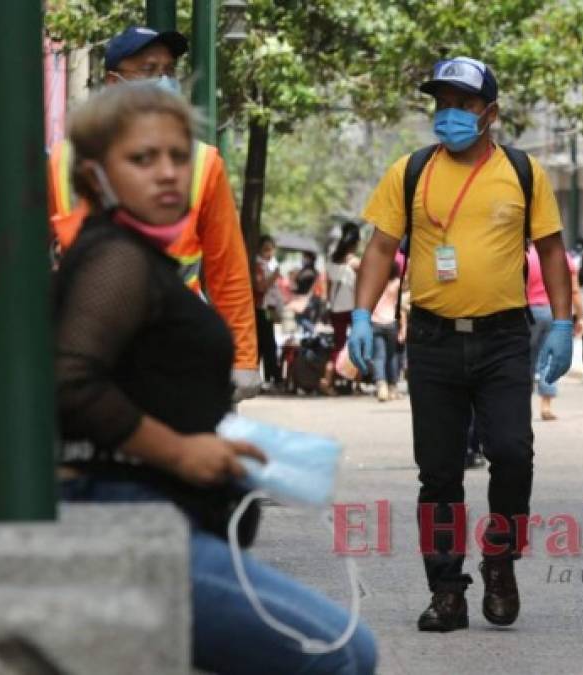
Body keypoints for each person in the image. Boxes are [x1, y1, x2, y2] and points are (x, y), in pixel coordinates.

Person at [53, 84, 377, 675]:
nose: (168, 173)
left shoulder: (141, 257)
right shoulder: (115, 259)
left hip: (147, 511)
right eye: (142, 159)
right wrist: (179, 450)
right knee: (341, 654)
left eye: (179, 155)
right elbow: (70, 381)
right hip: (118, 519)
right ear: (95, 174)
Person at [350, 56, 574, 632]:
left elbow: (551, 250)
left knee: (512, 453)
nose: (449, 115)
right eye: (441, 103)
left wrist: (562, 322)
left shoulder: (523, 172)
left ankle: (501, 559)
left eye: (463, 104)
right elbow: (380, 248)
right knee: (439, 472)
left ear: (490, 113)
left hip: (503, 339)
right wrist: (358, 312)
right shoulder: (411, 170)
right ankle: (446, 590)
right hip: (432, 340)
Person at [47, 26, 260, 401]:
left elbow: (228, 269)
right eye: (148, 70)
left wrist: (243, 359)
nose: (163, 81)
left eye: (169, 71)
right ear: (114, 83)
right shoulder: (62, 162)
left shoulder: (204, 162)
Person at [525, 242, 583, 420]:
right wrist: (580, 316)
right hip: (554, 312)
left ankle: (523, 406)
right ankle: (546, 405)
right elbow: (574, 291)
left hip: (530, 313)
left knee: (526, 359)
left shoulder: (526, 255)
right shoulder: (563, 257)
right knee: (550, 358)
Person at [323, 222, 361, 395]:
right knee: (357, 345)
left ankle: (328, 379)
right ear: (356, 242)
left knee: (338, 345)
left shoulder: (331, 261)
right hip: (353, 309)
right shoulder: (356, 263)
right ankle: (356, 384)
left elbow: (328, 287)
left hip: (336, 309)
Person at [253, 235, 283, 391]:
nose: (269, 253)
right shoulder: (258, 265)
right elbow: (261, 287)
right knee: (265, 344)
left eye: (271, 249)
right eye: (266, 249)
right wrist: (274, 276)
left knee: (270, 344)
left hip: (270, 309)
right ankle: (269, 377)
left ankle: (270, 377)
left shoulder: (271, 264)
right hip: (261, 309)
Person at [370, 261, 403, 402]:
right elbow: (400, 306)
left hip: (375, 321)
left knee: (379, 356)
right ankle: (393, 387)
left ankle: (381, 386)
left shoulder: (376, 281)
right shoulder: (397, 284)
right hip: (391, 323)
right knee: (392, 356)